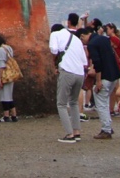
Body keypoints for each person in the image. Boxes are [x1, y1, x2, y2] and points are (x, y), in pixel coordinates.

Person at [51, 12, 88, 143]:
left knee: (61, 104)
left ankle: (69, 134)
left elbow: (54, 50)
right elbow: (85, 61)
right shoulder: (76, 39)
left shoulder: (54, 34)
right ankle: (77, 132)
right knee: (73, 103)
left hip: (67, 71)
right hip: (80, 74)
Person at [87, 19, 120, 138]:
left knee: (100, 103)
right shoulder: (104, 39)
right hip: (114, 75)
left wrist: (98, 80)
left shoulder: (92, 44)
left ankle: (106, 129)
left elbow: (97, 62)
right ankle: (108, 126)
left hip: (105, 76)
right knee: (105, 101)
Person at [0, 33, 19, 123]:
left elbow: (1, 65)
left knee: (4, 97)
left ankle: (6, 116)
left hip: (4, 75)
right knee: (9, 96)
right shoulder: (8, 48)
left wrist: (0, 79)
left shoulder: (0, 50)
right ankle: (14, 115)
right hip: (10, 75)